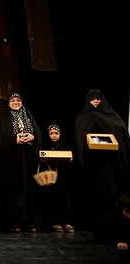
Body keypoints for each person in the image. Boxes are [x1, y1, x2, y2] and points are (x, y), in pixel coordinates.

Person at [73, 89, 130, 233]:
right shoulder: (83, 117)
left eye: (98, 99)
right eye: (92, 99)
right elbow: (79, 136)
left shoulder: (111, 115)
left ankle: (110, 222)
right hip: (91, 162)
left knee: (109, 190)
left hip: (109, 162)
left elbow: (121, 129)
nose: (95, 102)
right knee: (93, 190)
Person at [0, 92, 42, 233]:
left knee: (29, 191)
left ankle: (29, 222)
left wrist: (32, 137)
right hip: (11, 160)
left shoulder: (28, 115)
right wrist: (15, 140)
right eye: (13, 100)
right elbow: (2, 137)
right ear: (8, 103)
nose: (16, 102)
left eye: (18, 100)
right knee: (13, 191)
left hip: (28, 159)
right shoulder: (4, 117)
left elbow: (38, 134)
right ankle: (14, 222)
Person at [39, 124, 74, 233]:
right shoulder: (46, 146)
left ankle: (67, 222)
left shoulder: (65, 146)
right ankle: (56, 222)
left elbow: (70, 158)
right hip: (51, 177)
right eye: (51, 133)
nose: (54, 136)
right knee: (53, 199)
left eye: (56, 133)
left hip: (64, 177)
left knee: (65, 199)